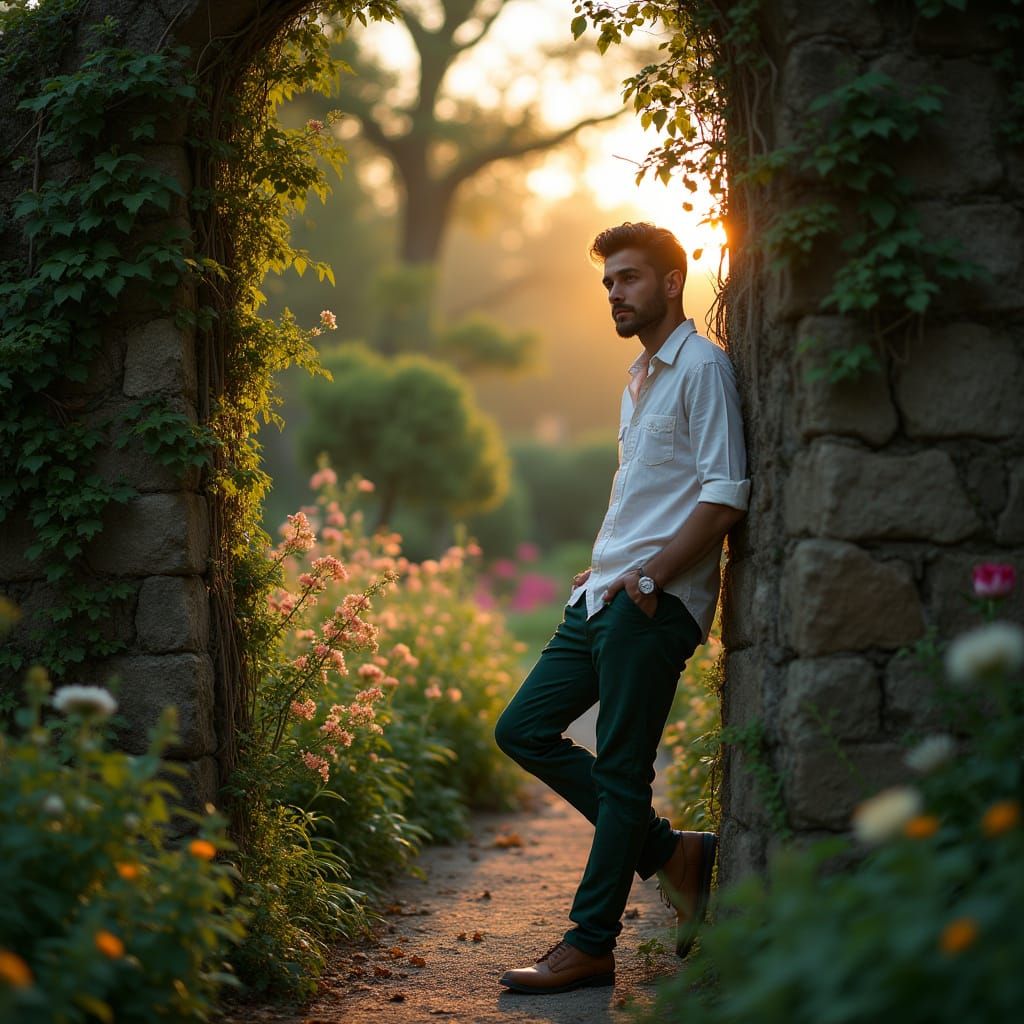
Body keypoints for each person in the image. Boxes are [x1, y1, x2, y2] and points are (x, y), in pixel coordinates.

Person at [494, 222, 750, 995]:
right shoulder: (638, 380)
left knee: (622, 772)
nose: (615, 292)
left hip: (652, 604)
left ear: (671, 282)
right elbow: (648, 495)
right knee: (523, 729)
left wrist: (649, 578)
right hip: (603, 594)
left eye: (629, 278)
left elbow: (724, 494)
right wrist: (608, 567)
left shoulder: (702, 369)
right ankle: (671, 853)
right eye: (608, 282)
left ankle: (590, 943)